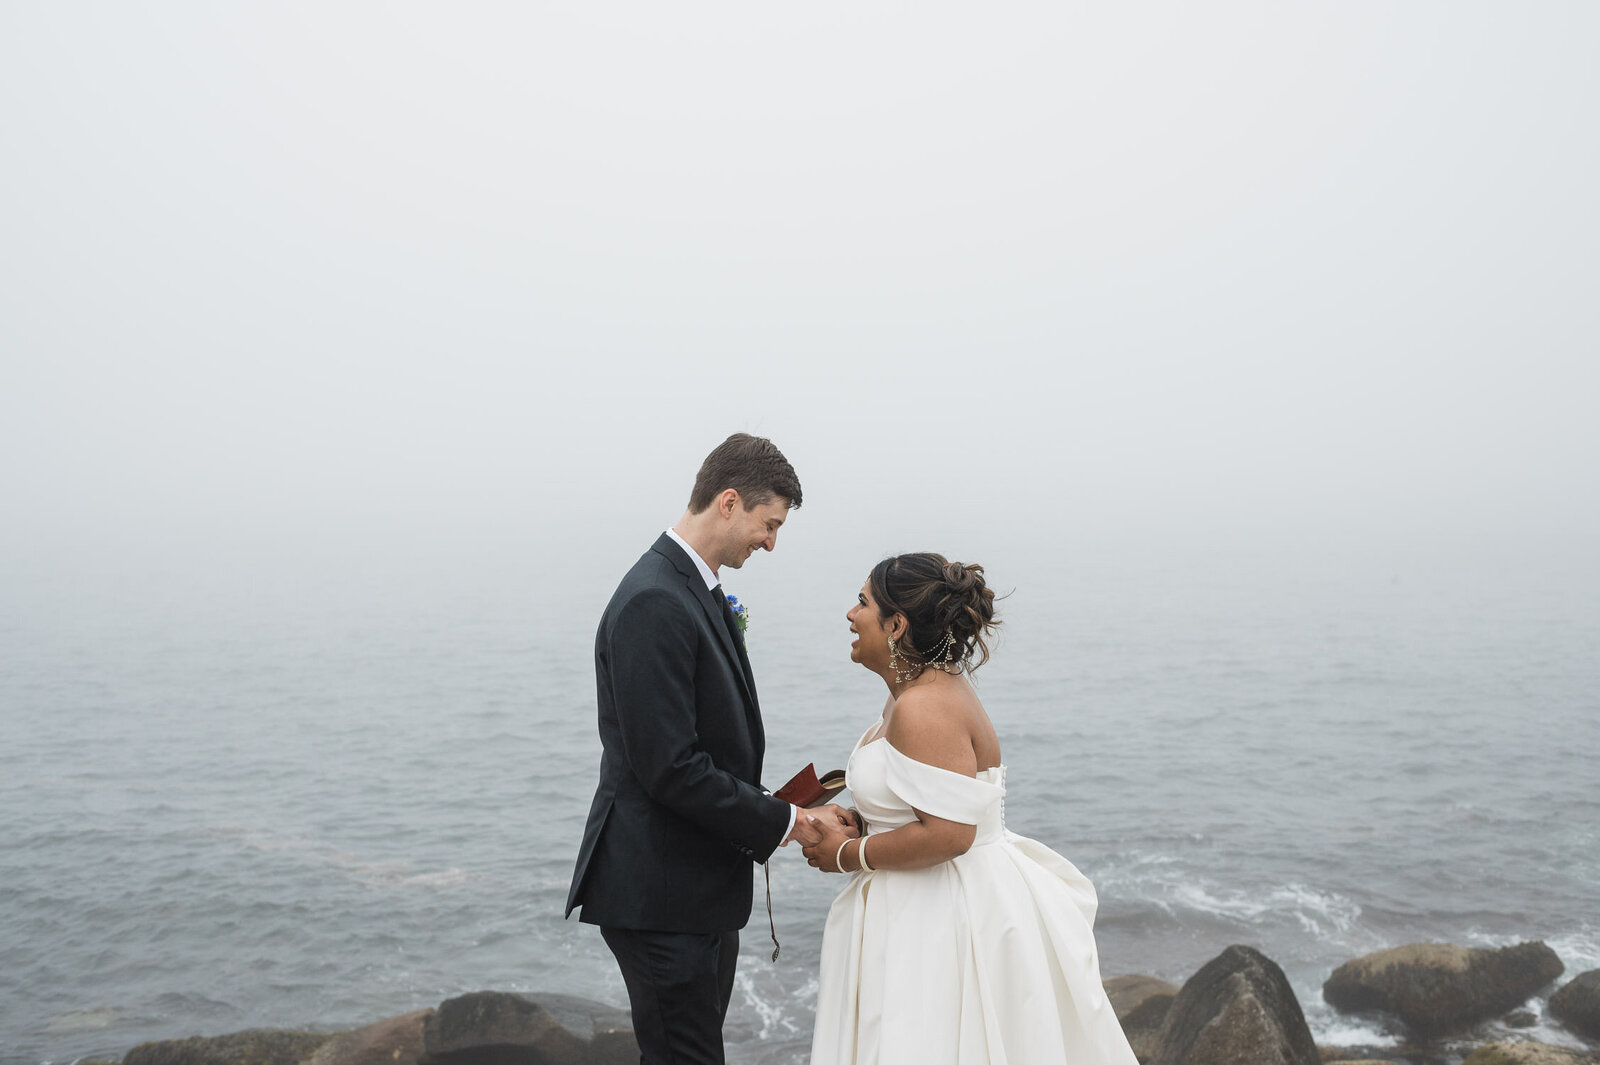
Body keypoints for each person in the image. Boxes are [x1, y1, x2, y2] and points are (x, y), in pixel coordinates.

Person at [565, 432, 852, 1065]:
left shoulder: (690, 586)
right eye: (769, 524)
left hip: (694, 885)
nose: (772, 543)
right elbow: (671, 768)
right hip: (661, 891)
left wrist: (783, 805)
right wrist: (791, 821)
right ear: (729, 502)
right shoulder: (653, 601)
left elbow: (703, 751)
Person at [800, 553, 1140, 1065]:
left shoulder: (923, 705)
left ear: (895, 625)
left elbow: (951, 833)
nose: (850, 614)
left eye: (863, 602)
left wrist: (848, 854)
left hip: (942, 917)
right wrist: (856, 819)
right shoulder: (913, 693)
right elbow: (920, 800)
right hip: (922, 898)